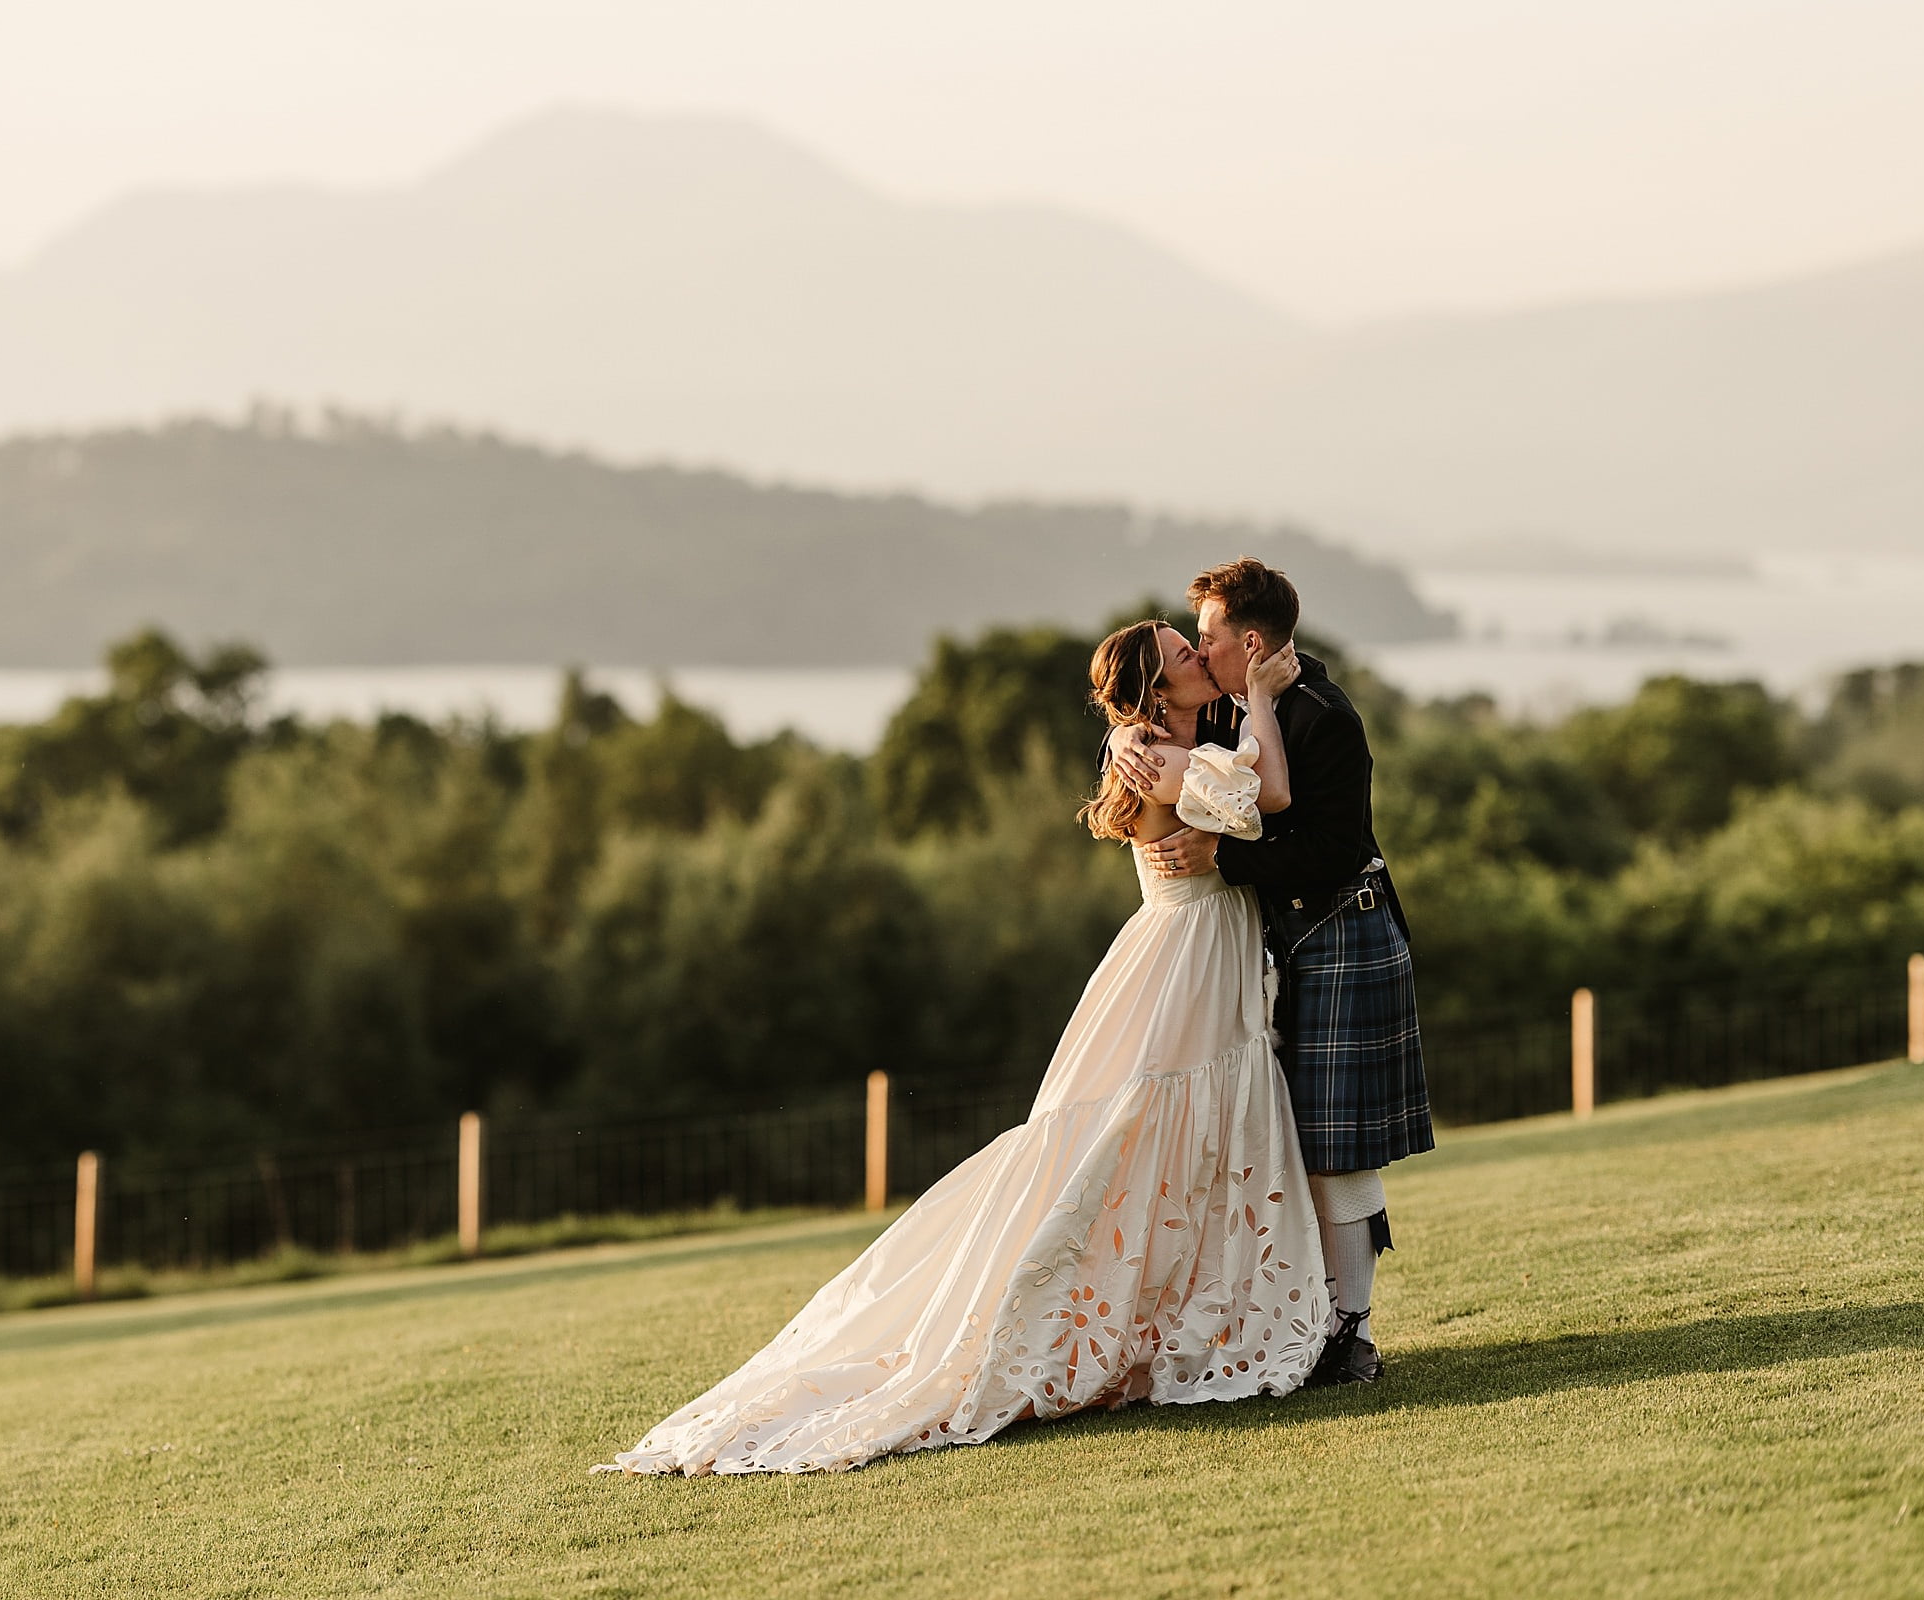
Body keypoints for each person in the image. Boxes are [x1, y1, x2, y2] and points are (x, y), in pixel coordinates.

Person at [598, 620, 1323, 1476]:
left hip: (1191, 951)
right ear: (1155, 690)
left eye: (1194, 646)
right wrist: (1265, 700)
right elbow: (1267, 796)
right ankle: (1156, 1321)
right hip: (1185, 959)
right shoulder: (1155, 756)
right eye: (1182, 655)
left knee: (1173, 1134)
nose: (1200, 657)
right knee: (1147, 1133)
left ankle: (1183, 1311)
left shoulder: (1153, 742)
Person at [1109, 559, 1433, 1386]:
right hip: (1268, 949)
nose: (1200, 651)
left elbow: (1334, 848)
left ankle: (1349, 1330)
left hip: (1345, 931)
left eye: (1207, 638)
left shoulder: (1325, 718)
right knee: (1286, 1140)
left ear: (1247, 644)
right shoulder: (1220, 701)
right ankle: (1310, 1317)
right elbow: (1154, 717)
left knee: (1335, 1149)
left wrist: (1223, 853)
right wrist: (1123, 730)